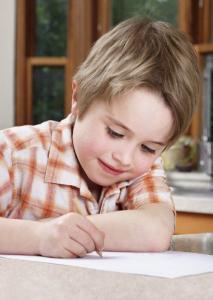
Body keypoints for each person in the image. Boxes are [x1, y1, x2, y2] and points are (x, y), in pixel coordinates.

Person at [0, 17, 199, 258]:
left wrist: (72, 232)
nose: (124, 158)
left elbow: (156, 230)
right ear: (78, 99)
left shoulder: (141, 170)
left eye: (148, 147)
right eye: (115, 133)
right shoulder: (13, 153)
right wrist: (39, 236)